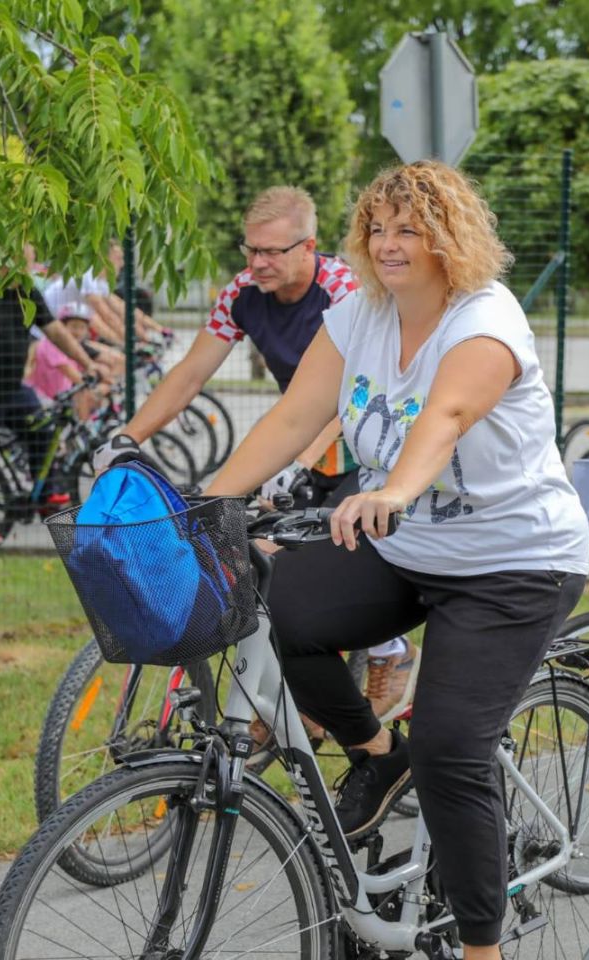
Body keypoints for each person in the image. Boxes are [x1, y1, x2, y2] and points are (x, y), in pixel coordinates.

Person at [203, 161, 589, 959]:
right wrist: (208, 503)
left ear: (451, 237)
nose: (387, 244)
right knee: (281, 614)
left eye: (409, 229)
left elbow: (444, 413)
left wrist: (398, 488)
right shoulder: (358, 314)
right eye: (376, 228)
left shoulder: (486, 318)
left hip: (513, 562)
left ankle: (480, 948)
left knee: (452, 749)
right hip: (406, 548)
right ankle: (378, 759)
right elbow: (292, 416)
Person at [92, 185, 415, 715]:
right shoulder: (241, 293)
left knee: (330, 559)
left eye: (273, 252)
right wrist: (128, 436)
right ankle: (290, 707)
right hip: (299, 435)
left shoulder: (345, 291)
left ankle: (390, 650)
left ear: (309, 247)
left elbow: (354, 391)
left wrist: (300, 460)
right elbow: (191, 373)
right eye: (251, 250)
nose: (258, 263)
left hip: (362, 442)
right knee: (260, 564)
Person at [0, 257, 99, 546]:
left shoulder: (26, 290)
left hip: (13, 387)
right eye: (26, 253)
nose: (31, 260)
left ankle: (45, 493)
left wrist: (86, 363)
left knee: (42, 428)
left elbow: (53, 329)